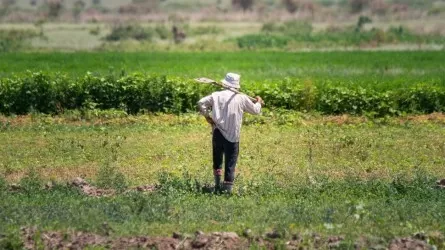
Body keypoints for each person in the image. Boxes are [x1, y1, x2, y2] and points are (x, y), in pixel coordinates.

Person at [197, 73, 263, 194]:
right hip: (232, 136)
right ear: (237, 85)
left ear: (225, 83)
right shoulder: (242, 98)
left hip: (217, 132)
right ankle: (227, 192)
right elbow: (255, 110)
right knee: (230, 163)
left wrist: (207, 117)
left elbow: (201, 102)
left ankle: (217, 185)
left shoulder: (216, 95)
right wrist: (258, 102)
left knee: (217, 160)